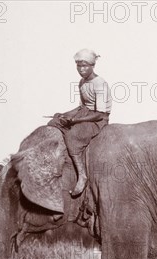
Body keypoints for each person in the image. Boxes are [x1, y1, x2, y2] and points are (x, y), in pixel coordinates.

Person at [48, 48, 112, 196]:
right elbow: (83, 106)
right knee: (54, 123)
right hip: (85, 113)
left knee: (73, 136)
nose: (81, 69)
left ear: (92, 66)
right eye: (79, 66)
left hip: (98, 120)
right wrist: (64, 114)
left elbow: (100, 114)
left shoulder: (100, 83)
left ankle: (82, 175)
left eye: (85, 66)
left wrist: (75, 120)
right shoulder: (82, 82)